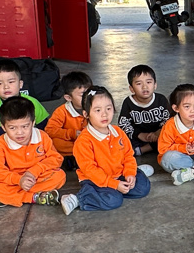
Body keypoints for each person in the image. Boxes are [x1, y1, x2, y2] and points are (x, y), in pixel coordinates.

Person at [61, 86, 151, 215]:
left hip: (118, 173)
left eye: (108, 108)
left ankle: (130, 177)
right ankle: (79, 199)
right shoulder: (84, 141)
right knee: (113, 200)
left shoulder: (118, 132)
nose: (104, 114)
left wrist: (130, 173)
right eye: (98, 110)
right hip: (94, 180)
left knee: (143, 188)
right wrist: (114, 184)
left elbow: (128, 155)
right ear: (86, 114)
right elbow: (90, 170)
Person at [0, 97, 65, 208]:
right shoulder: (0, 144)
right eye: (12, 128)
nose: (20, 132)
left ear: (33, 122)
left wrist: (33, 172)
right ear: (3, 127)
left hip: (37, 177)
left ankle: (13, 197)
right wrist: (19, 180)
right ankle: (34, 197)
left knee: (59, 176)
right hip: (14, 181)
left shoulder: (42, 136)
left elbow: (56, 159)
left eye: (25, 126)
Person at [0, 59, 49, 168]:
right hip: (7, 144)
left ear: (20, 84)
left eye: (11, 82)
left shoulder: (32, 102)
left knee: (48, 140)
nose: (6, 87)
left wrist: (25, 137)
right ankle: (5, 162)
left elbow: (43, 124)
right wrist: (13, 138)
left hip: (30, 142)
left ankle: (17, 162)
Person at [118, 64, 171, 156]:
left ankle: (142, 150)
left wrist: (158, 132)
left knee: (171, 136)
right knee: (120, 141)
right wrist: (139, 135)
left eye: (149, 82)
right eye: (139, 84)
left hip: (158, 135)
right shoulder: (128, 102)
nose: (144, 87)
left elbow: (169, 120)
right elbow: (124, 124)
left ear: (155, 85)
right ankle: (144, 148)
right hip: (138, 136)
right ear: (131, 89)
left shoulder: (161, 99)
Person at [46, 71, 92, 160]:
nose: (88, 97)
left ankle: (81, 154)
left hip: (89, 139)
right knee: (56, 143)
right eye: (82, 95)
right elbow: (50, 130)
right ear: (68, 98)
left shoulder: (95, 107)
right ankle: (79, 154)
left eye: (89, 93)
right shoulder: (62, 111)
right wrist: (72, 133)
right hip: (72, 141)